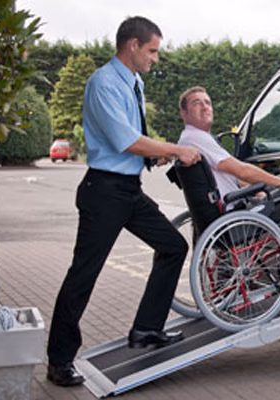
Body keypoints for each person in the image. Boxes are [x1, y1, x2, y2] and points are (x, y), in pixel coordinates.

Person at [45, 16, 201, 387]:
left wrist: (154, 156)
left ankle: (147, 329)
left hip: (129, 190)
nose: (155, 58)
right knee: (84, 273)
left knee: (173, 246)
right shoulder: (103, 83)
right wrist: (175, 149)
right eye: (152, 51)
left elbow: (134, 139)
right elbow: (125, 140)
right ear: (132, 45)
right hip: (104, 192)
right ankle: (59, 360)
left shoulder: (134, 82)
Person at [176, 86, 280, 201]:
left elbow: (231, 176)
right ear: (184, 113)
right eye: (196, 103)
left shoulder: (193, 137)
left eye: (207, 103)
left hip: (233, 204)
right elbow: (242, 171)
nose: (205, 107)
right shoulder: (196, 138)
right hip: (233, 209)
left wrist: (255, 190)